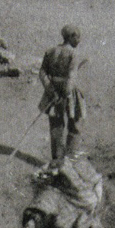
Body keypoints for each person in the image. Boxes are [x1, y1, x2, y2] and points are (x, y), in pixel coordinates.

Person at [38, 25, 86, 162]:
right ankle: (71, 157)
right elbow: (71, 76)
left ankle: (57, 159)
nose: (79, 40)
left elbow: (42, 72)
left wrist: (51, 91)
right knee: (75, 122)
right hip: (68, 92)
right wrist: (65, 93)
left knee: (56, 125)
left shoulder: (51, 51)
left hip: (53, 90)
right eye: (77, 37)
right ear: (70, 37)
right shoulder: (73, 54)